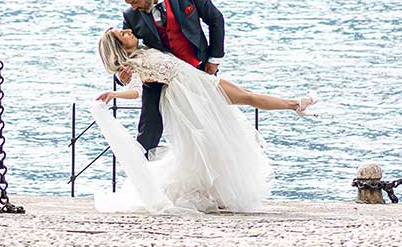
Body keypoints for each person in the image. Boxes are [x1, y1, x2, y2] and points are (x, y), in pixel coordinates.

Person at [90, 26, 314, 213]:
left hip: (198, 80)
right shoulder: (134, 64)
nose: (129, 31)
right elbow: (136, 91)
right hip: (188, 94)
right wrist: (115, 94)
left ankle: (295, 104)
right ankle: (296, 104)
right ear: (119, 47)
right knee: (221, 128)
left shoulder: (146, 46)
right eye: (123, 35)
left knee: (247, 98)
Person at [115, 0, 225, 154]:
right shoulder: (131, 16)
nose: (133, 8)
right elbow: (123, 50)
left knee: (207, 123)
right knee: (148, 131)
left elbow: (215, 18)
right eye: (130, 4)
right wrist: (121, 75)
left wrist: (213, 60)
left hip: (197, 69)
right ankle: (143, 175)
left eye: (134, 2)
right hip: (159, 75)